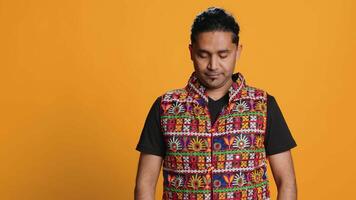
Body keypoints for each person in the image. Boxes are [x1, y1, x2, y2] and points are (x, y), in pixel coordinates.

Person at [134, 7, 297, 200]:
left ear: (238, 52)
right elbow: (145, 184)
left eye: (223, 55)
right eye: (204, 55)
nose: (213, 65)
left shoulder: (263, 105)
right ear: (191, 51)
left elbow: (286, 181)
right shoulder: (165, 107)